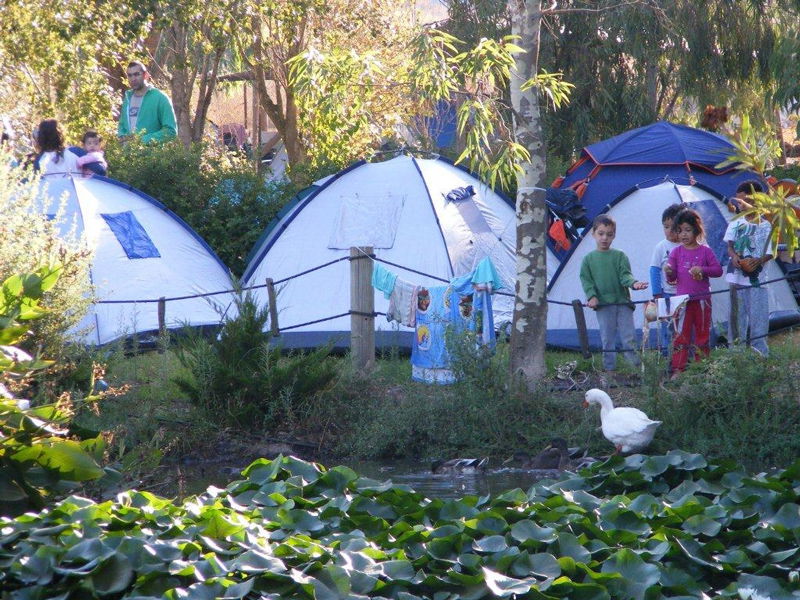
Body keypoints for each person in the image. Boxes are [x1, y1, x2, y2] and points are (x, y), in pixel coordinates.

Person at [580, 214, 649, 371]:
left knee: (629, 337)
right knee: (607, 338)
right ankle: (609, 370)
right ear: (593, 234)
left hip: (622, 303)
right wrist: (592, 296)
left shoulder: (619, 256)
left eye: (609, 234)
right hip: (603, 305)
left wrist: (634, 283)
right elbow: (586, 281)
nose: (605, 238)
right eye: (601, 233)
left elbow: (625, 275)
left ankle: (634, 370)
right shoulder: (588, 259)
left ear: (614, 236)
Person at [664, 209, 723, 375]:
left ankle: (701, 368)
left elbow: (717, 270)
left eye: (688, 230)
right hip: (682, 301)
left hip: (702, 299)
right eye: (680, 230)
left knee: (702, 334)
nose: (683, 234)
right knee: (681, 334)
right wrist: (669, 272)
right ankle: (678, 369)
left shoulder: (705, 251)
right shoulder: (676, 252)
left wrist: (702, 270)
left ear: (697, 230)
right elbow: (672, 278)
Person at [724, 183, 773, 356]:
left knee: (758, 318)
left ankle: (761, 353)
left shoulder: (765, 225)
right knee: (736, 318)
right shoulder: (735, 223)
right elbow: (729, 246)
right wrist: (734, 257)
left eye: (743, 200)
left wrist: (757, 261)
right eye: (737, 200)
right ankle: (736, 354)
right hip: (735, 279)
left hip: (757, 280)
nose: (739, 204)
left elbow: (770, 251)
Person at [649, 203, 683, 353]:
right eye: (665, 226)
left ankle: (685, 355)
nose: (669, 231)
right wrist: (657, 293)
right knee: (667, 326)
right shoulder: (661, 247)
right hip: (667, 295)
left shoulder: (686, 245)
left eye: (673, 227)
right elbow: (654, 270)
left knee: (683, 325)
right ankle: (667, 355)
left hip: (684, 294)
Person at [117, 61, 177, 143]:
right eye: (130, 75)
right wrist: (121, 137)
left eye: (136, 74)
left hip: (153, 155)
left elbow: (171, 131)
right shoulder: (127, 98)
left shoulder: (160, 98)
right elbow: (122, 126)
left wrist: (142, 140)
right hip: (128, 154)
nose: (133, 79)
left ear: (145, 75)